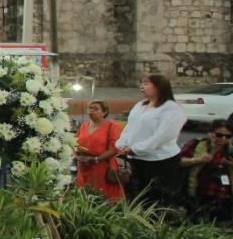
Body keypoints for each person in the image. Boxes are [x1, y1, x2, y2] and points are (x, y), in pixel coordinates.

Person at [116, 74, 189, 204]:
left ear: (159, 87)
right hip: (138, 159)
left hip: (160, 160)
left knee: (157, 197)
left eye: (146, 83)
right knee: (138, 196)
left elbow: (161, 137)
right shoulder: (140, 105)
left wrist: (135, 149)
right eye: (141, 83)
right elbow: (130, 127)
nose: (142, 86)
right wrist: (122, 144)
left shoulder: (171, 109)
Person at [179, 120, 232, 221]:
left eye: (228, 136)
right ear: (210, 133)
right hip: (200, 195)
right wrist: (197, 160)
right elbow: (178, 161)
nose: (223, 139)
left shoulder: (230, 151)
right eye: (219, 135)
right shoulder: (197, 144)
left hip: (224, 198)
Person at [74, 101, 124, 202]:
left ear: (104, 112)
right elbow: (75, 142)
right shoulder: (84, 125)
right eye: (90, 108)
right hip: (84, 166)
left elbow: (115, 148)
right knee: (84, 196)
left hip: (103, 166)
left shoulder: (112, 126)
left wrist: (96, 159)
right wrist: (76, 155)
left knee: (103, 197)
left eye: (95, 108)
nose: (91, 111)